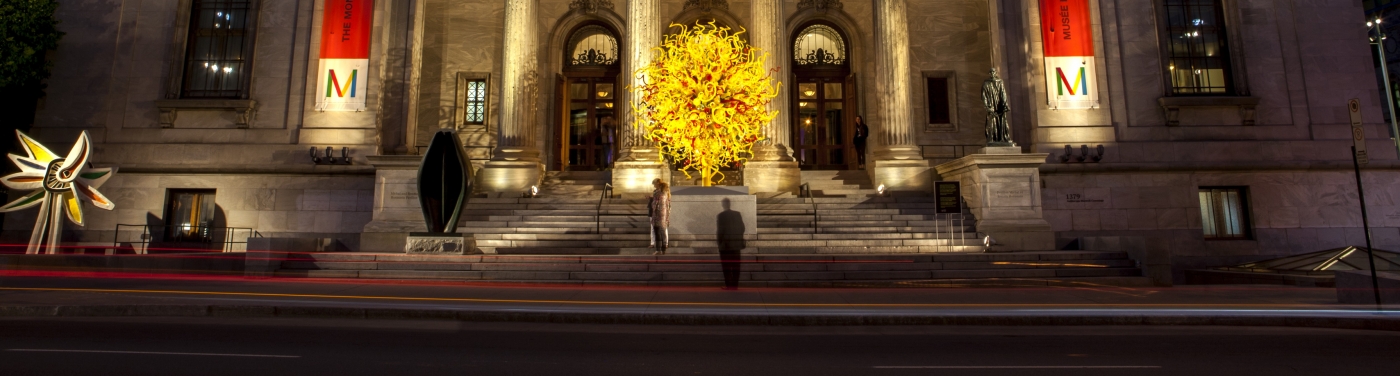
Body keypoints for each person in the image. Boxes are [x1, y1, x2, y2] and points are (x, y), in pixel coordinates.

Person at [650, 179, 671, 255]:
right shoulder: (666, 192)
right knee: (663, 232)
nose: (654, 186)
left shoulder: (657, 193)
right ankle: (664, 249)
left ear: (658, 184)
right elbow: (669, 205)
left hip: (657, 215)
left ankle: (658, 250)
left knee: (657, 232)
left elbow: (654, 204)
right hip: (664, 215)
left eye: (654, 184)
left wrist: (653, 211)